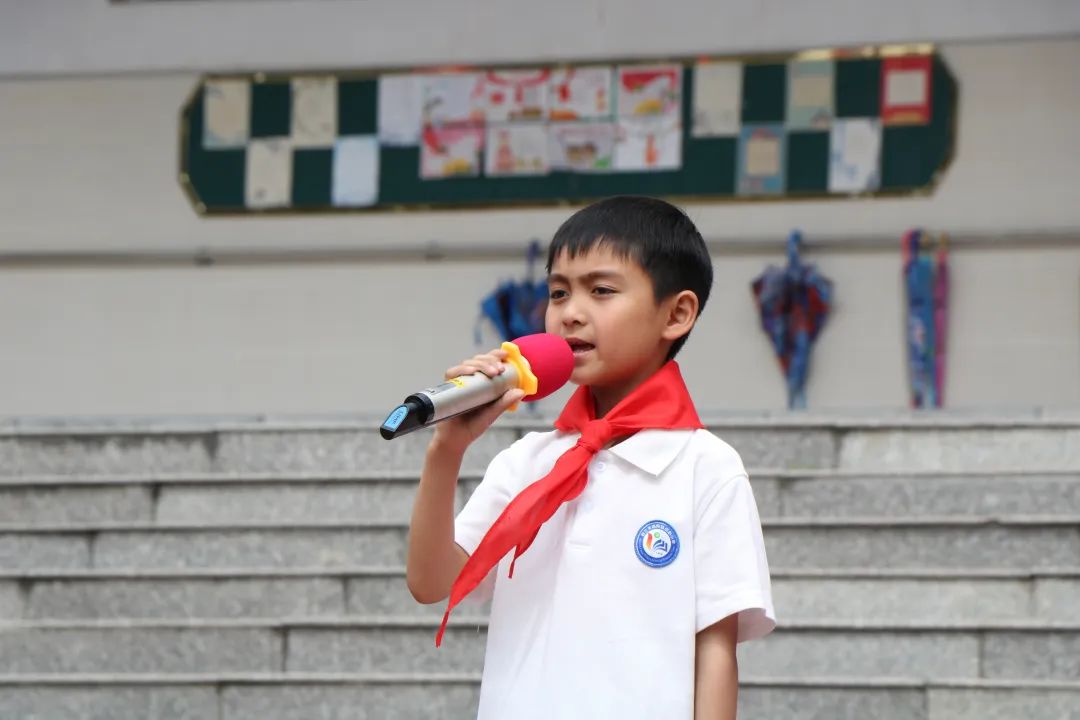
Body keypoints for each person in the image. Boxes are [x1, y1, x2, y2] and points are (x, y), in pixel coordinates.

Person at [406, 196, 775, 720]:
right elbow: (430, 583)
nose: (570, 312)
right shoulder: (527, 461)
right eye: (558, 292)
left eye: (601, 290)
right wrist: (447, 450)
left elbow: (715, 648)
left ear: (677, 313)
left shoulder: (705, 468)